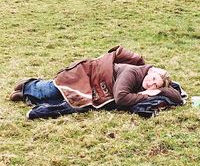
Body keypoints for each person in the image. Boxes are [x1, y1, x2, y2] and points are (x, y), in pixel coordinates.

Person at [10, 46, 182, 119]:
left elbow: (177, 95)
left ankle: (27, 96)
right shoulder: (132, 73)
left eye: (156, 85)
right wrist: (144, 95)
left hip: (97, 84)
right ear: (150, 71)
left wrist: (160, 91)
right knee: (51, 91)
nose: (151, 85)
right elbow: (121, 98)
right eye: (153, 79)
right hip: (87, 75)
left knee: (68, 100)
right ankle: (29, 85)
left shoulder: (151, 83)